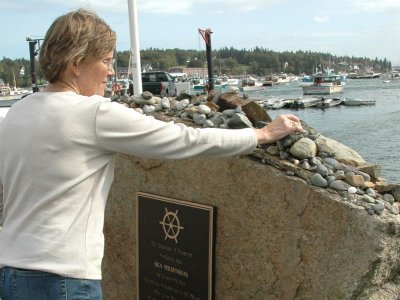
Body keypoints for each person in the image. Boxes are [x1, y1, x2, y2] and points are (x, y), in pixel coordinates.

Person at [0, 8, 303, 300]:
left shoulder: (18, 111)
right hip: (60, 278)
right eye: (105, 61)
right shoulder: (91, 114)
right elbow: (182, 139)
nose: (110, 72)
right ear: (77, 63)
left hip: (10, 271)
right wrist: (260, 135)